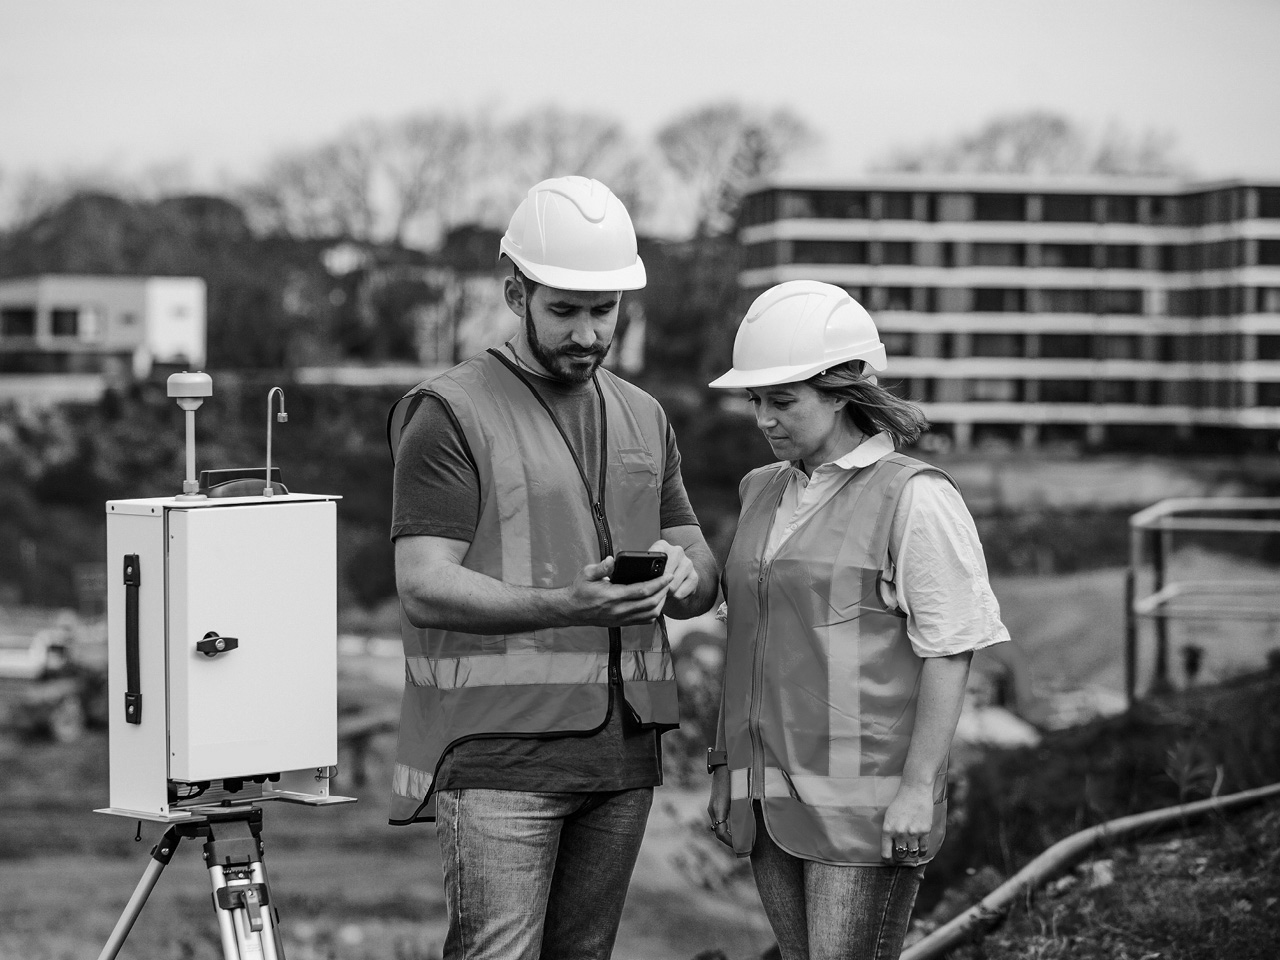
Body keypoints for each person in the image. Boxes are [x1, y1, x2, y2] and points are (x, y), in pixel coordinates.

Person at [387, 175, 719, 960]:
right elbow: (423, 585)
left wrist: (683, 575)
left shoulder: (645, 415)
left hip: (623, 754)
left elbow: (704, 568)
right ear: (514, 291)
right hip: (499, 755)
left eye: (602, 311)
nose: (586, 333)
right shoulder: (449, 411)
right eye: (563, 310)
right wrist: (571, 603)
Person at [705, 280, 1010, 960]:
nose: (764, 419)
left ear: (843, 391)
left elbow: (951, 648)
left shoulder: (913, 498)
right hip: (768, 810)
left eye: (783, 401)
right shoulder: (762, 490)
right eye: (755, 401)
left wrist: (916, 789)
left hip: (866, 820)